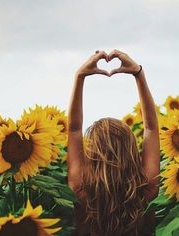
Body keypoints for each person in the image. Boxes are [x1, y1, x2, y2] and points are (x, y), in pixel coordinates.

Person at [67, 49, 160, 236]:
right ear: (130, 148)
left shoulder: (80, 187)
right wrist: (138, 73)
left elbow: (74, 128)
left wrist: (79, 76)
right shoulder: (145, 188)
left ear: (93, 151)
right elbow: (151, 128)